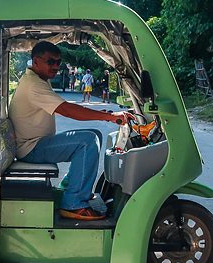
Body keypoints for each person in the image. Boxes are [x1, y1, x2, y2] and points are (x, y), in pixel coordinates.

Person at [8, 41, 132, 220]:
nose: (56, 67)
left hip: (36, 143)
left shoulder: (37, 80)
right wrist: (108, 117)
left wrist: (101, 114)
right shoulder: (34, 85)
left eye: (58, 62)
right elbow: (65, 110)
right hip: (31, 148)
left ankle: (70, 188)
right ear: (36, 61)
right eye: (51, 62)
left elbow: (66, 106)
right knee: (87, 141)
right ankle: (74, 203)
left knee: (94, 134)